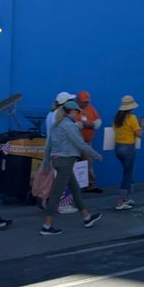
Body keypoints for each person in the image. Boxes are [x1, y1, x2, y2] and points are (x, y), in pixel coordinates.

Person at [41, 100, 102, 235]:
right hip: (66, 162)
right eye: (77, 112)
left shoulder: (56, 125)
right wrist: (96, 155)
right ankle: (47, 226)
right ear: (72, 111)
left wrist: (46, 162)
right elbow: (80, 144)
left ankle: (86, 217)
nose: (78, 114)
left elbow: (48, 145)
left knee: (75, 189)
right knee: (56, 194)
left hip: (57, 160)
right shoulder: (70, 126)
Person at [113, 95, 144, 210]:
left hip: (118, 148)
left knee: (128, 173)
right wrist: (142, 126)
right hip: (128, 149)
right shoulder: (132, 118)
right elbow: (139, 134)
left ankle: (126, 198)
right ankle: (120, 202)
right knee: (127, 175)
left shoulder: (116, 118)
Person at [77, 90, 103, 192]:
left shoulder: (90, 108)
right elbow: (71, 124)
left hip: (87, 142)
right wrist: (84, 125)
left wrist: (91, 125)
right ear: (78, 100)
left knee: (88, 163)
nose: (86, 103)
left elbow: (98, 121)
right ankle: (73, 187)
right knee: (73, 165)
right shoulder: (73, 109)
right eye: (84, 101)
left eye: (87, 101)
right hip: (74, 143)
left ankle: (91, 185)